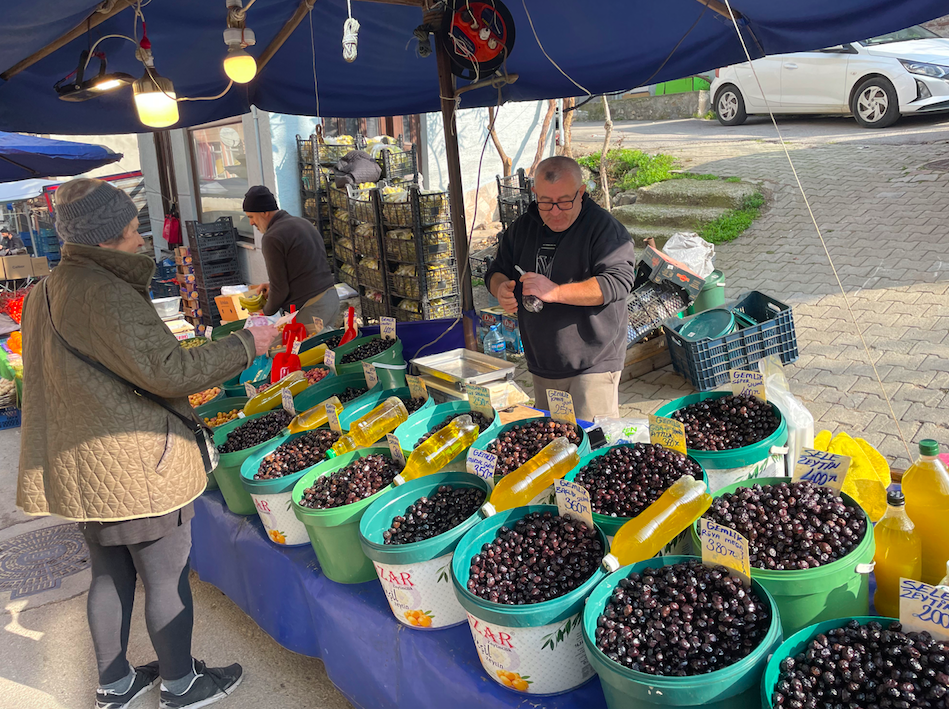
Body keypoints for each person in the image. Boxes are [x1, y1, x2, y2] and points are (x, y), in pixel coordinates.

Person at [16, 178, 278, 709]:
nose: (141, 240)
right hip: (134, 461)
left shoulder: (47, 289)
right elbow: (171, 370)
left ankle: (114, 684)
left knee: (109, 575)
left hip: (82, 463)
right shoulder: (105, 292)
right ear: (108, 235)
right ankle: (182, 685)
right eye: (134, 230)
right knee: (164, 575)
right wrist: (249, 342)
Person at [486, 156, 636, 421]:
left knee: (591, 448)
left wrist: (555, 292)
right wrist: (500, 289)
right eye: (545, 202)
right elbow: (496, 270)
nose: (555, 211)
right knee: (553, 444)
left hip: (593, 365)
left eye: (564, 202)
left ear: (581, 193)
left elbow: (618, 282)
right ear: (535, 194)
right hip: (541, 363)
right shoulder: (523, 227)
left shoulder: (604, 229)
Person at [242, 185, 339, 332]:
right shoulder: (303, 223)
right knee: (328, 350)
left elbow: (280, 289)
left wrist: (264, 312)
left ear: (264, 212)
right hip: (331, 298)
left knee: (307, 354)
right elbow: (304, 269)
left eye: (251, 217)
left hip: (310, 308)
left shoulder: (272, 237)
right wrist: (271, 285)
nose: (251, 223)